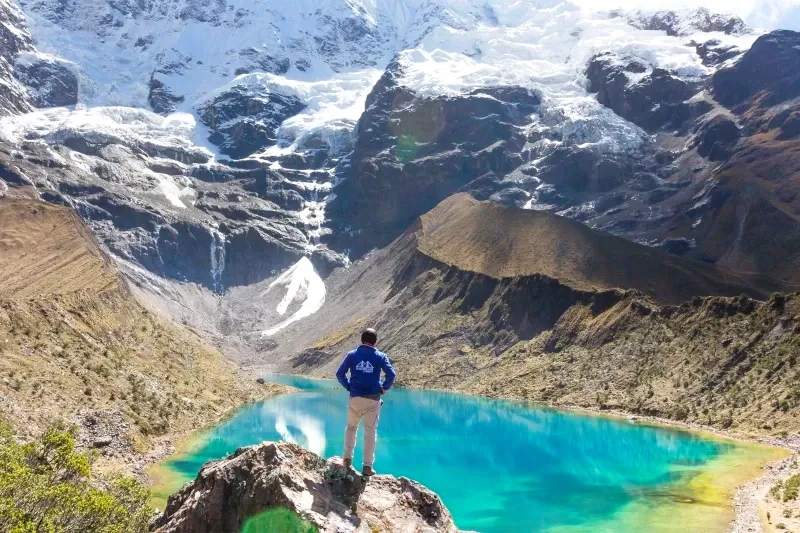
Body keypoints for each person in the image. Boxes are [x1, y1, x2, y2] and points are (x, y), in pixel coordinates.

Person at [336, 328, 396, 476]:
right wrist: (383, 388)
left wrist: (349, 386)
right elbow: (391, 374)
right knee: (370, 432)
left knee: (351, 427)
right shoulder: (380, 356)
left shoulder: (352, 355)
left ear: (362, 340)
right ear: (375, 342)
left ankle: (347, 460)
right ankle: (367, 467)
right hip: (373, 400)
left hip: (355, 398)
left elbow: (339, 374)